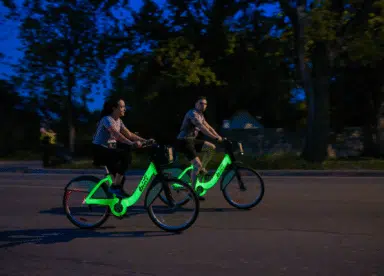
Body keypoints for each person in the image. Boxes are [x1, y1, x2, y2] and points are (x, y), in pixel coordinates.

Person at [92, 96, 152, 197]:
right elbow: (116, 135)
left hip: (109, 150)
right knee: (126, 154)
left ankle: (118, 204)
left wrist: (145, 141)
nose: (124, 109)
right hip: (100, 150)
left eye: (124, 107)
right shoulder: (107, 119)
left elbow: (129, 134)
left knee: (120, 177)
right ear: (114, 108)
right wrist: (131, 143)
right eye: (122, 107)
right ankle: (115, 188)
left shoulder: (119, 120)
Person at [176, 96, 223, 200]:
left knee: (211, 147)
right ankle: (192, 193)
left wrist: (218, 136)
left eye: (205, 104)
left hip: (191, 140)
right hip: (183, 141)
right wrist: (215, 137)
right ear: (196, 104)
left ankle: (202, 168)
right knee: (197, 165)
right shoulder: (192, 113)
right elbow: (202, 128)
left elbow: (208, 127)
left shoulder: (201, 115)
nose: (203, 106)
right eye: (201, 103)